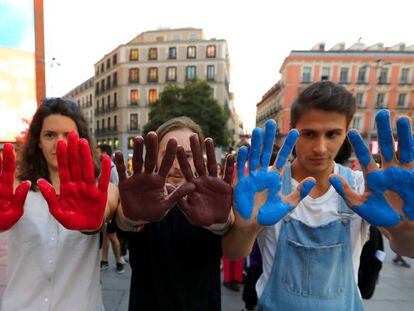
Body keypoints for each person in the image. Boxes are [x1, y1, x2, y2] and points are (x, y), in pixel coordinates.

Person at [223, 81, 414, 310]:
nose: (321, 147)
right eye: (309, 134)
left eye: (332, 134)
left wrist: (404, 228)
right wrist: (246, 228)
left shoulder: (362, 188)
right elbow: (234, 253)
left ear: (347, 131)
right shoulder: (268, 188)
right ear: (293, 128)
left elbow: (407, 249)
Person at [0, 98, 118, 310]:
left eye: (67, 135)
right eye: (49, 135)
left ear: (81, 139)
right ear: (38, 141)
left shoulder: (100, 189)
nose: (59, 143)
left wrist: (93, 221)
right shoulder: (16, 188)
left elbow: (107, 209)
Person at [115, 116, 235, 311]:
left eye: (186, 156)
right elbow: (123, 220)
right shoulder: (139, 198)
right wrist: (132, 217)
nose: (178, 165)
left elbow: (228, 224)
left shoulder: (214, 202)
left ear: (199, 159)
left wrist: (220, 225)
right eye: (169, 155)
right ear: (154, 156)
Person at [97, 144, 124, 273]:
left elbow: (117, 187)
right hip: (104, 205)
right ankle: (105, 260)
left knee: (112, 236)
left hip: (111, 206)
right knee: (106, 235)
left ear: (104, 154)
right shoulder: (102, 167)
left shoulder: (112, 169)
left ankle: (119, 262)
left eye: (98, 152)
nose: (97, 155)